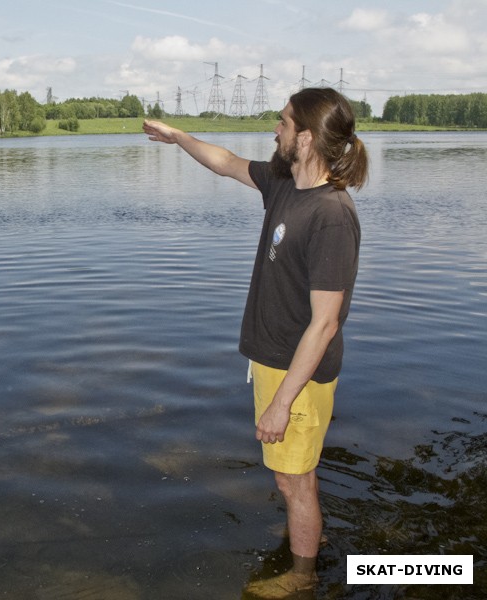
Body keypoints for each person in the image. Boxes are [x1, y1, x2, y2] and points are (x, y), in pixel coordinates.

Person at [143, 87, 367, 598]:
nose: (276, 129)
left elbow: (325, 323)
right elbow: (224, 162)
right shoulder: (286, 181)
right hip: (274, 364)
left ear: (306, 137)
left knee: (295, 480)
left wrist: (283, 402)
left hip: (299, 376)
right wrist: (177, 137)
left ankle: (302, 578)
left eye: (284, 123)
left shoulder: (331, 215)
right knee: (291, 478)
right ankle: (309, 537)